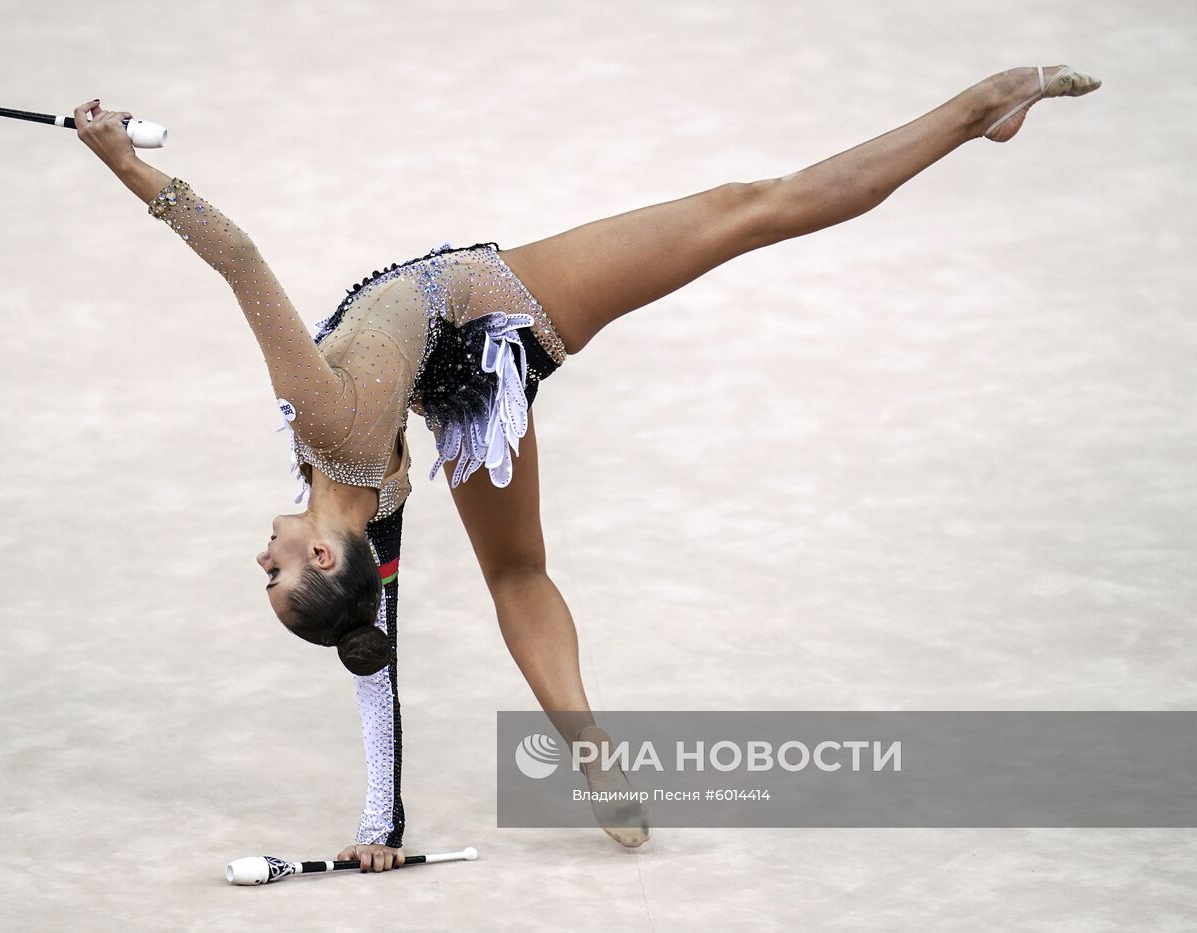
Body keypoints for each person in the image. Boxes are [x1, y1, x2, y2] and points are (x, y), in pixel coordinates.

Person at [73, 64, 1101, 871]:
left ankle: (587, 743)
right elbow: (241, 260)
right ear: (328, 557)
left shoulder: (357, 501)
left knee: (518, 573)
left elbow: (374, 672)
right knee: (747, 207)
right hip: (494, 305)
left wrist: (380, 820)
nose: (260, 557)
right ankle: (985, 103)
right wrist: (125, 165)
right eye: (276, 573)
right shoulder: (323, 432)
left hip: (464, 392)